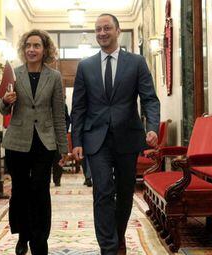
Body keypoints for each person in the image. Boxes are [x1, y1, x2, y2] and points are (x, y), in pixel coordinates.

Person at [71, 14, 160, 255]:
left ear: (117, 31)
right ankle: (108, 248)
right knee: (102, 191)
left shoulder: (137, 62)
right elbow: (78, 107)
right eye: (98, 29)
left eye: (107, 28)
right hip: (95, 139)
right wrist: (76, 140)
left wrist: (152, 127)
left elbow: (149, 99)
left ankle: (118, 235)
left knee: (124, 192)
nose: (102, 33)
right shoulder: (85, 66)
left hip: (127, 137)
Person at [0, 29, 68, 255]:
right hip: (17, 142)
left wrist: (62, 148)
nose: (32, 49)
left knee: (40, 190)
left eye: (37, 45)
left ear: (45, 49)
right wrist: (5, 102)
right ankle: (23, 235)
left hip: (44, 143)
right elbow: (3, 107)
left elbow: (59, 113)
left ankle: (40, 241)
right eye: (28, 45)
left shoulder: (55, 77)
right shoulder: (15, 74)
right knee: (20, 191)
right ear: (23, 48)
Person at [52, 103, 70, 186]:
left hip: (58, 136)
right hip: (45, 135)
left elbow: (67, 119)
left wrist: (64, 130)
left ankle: (57, 180)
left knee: (58, 158)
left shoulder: (63, 105)